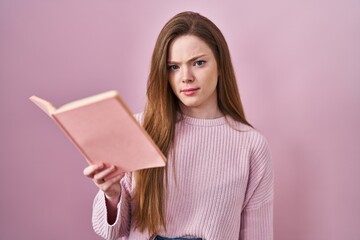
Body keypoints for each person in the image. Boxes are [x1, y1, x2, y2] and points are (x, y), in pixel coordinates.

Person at [83, 11, 273, 240]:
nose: (186, 77)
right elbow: (112, 231)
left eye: (199, 63)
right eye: (174, 67)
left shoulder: (251, 146)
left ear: (221, 65)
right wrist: (112, 194)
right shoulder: (139, 128)